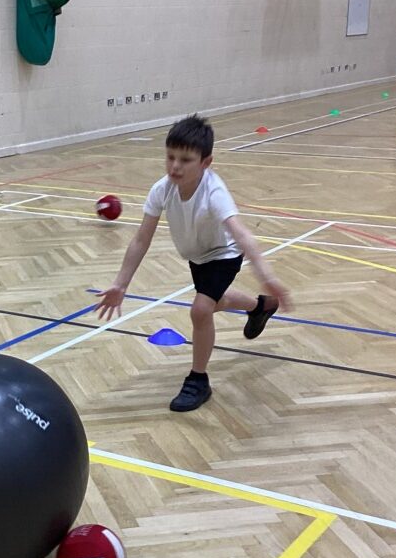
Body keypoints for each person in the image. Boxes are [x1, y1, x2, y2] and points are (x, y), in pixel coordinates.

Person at [95, 114, 292, 412]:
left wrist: (266, 274)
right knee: (214, 302)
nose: (175, 166)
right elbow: (141, 240)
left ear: (206, 162)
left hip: (224, 254)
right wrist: (120, 284)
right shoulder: (162, 189)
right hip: (197, 257)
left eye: (185, 160)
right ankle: (259, 306)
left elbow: (241, 233)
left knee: (201, 310)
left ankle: (198, 380)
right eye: (170, 157)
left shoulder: (214, 192)